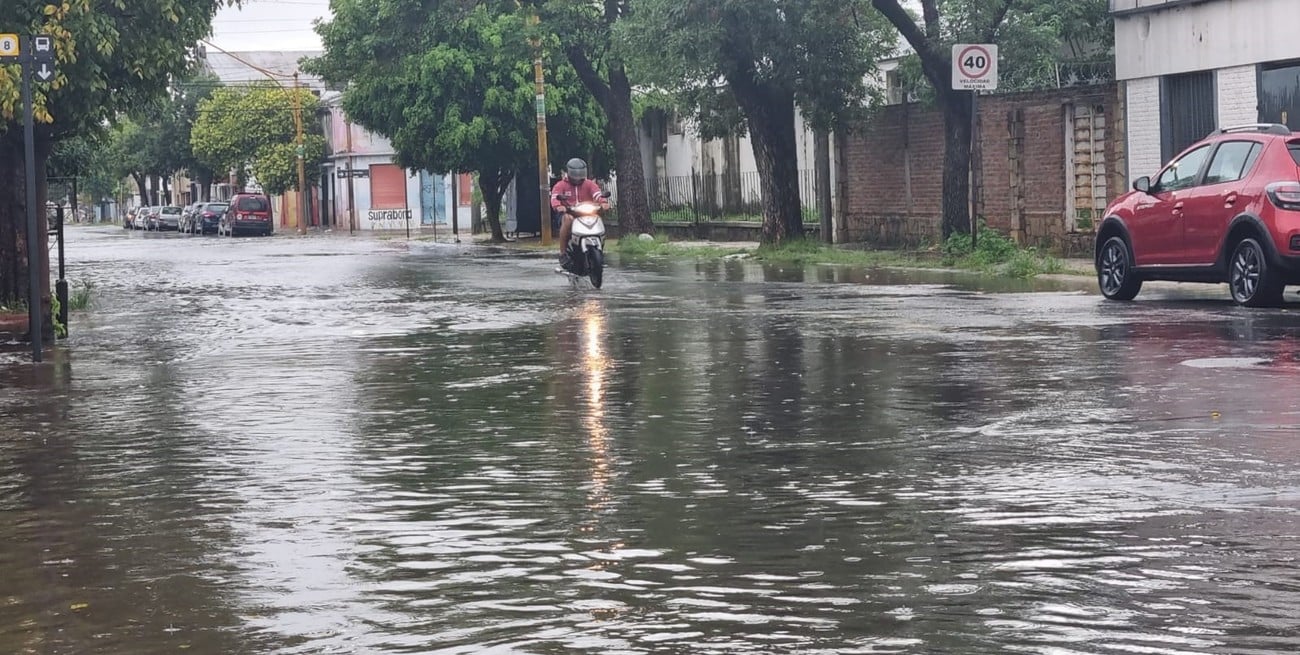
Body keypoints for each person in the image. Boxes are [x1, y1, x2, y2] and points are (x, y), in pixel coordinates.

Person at [550, 158, 608, 271]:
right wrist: (558, 206)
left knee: (598, 219)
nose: (577, 177)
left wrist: (603, 202)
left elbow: (597, 194)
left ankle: (600, 250)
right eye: (575, 174)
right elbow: (554, 197)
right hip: (568, 213)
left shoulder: (589, 184)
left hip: (587, 214)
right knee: (568, 219)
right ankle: (563, 253)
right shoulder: (561, 185)